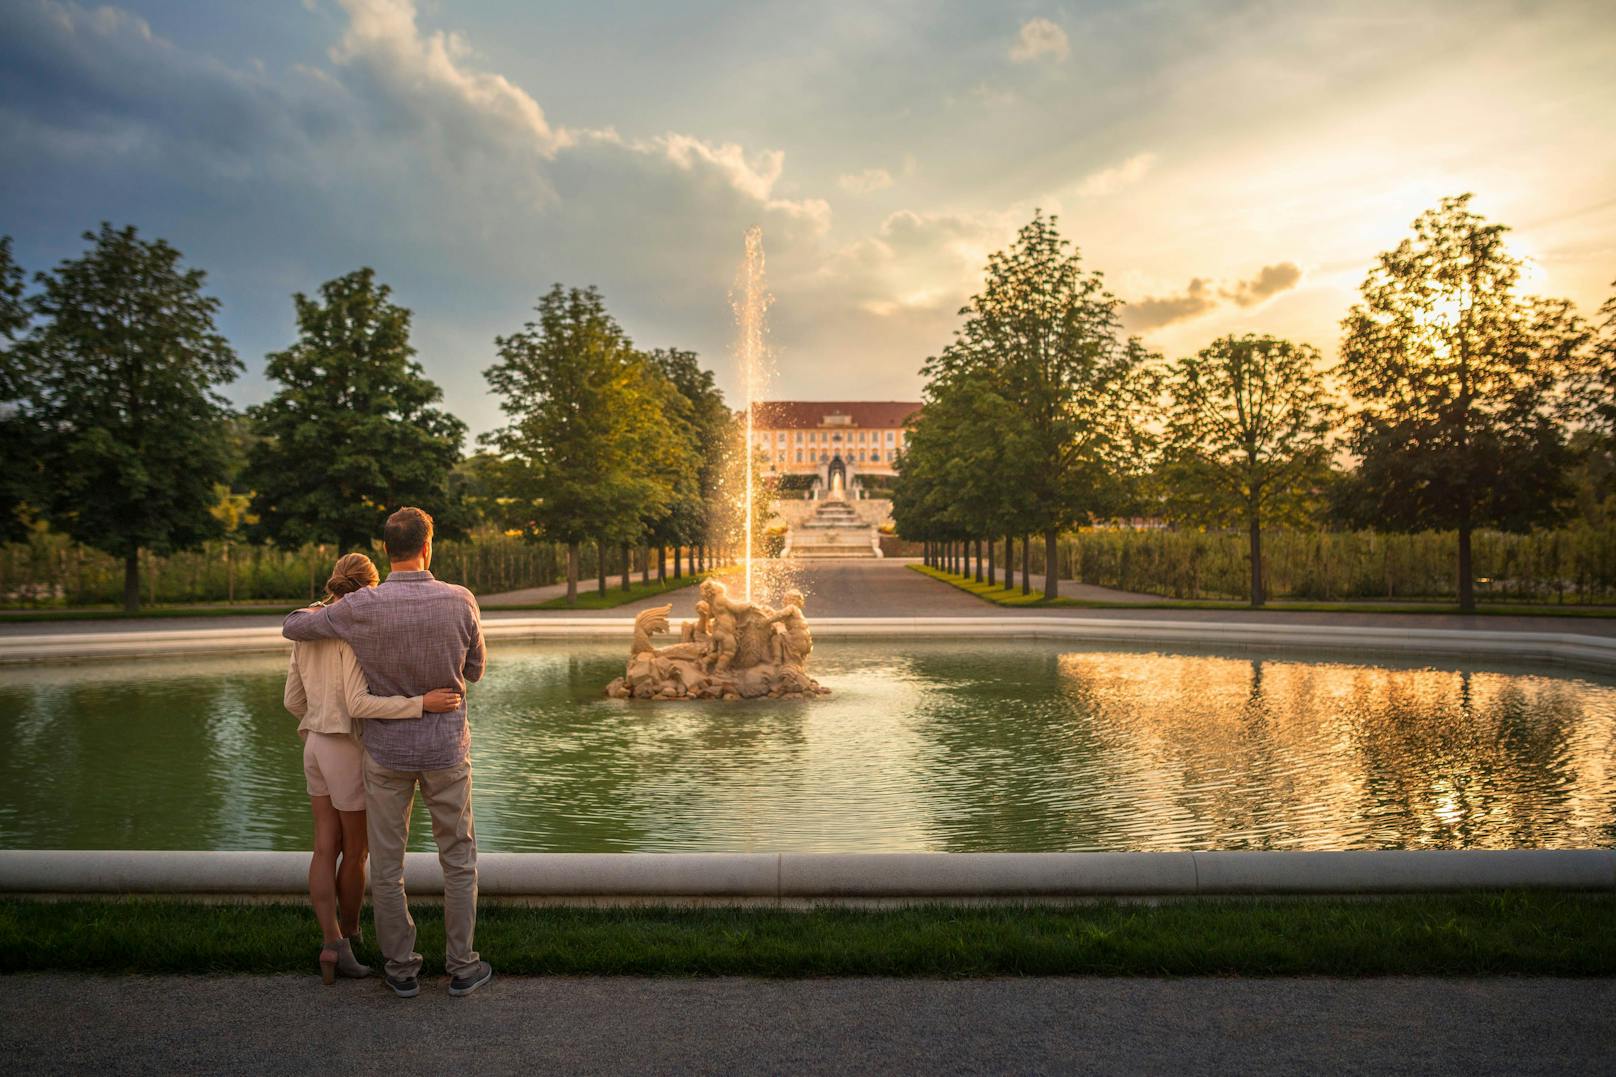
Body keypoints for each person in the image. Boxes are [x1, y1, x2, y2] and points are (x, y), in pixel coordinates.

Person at [283, 508, 491, 998]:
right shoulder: (460, 600)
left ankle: (400, 967)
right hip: (445, 750)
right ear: (428, 546)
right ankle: (462, 965)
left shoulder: (363, 607)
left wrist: (313, 611)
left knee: (388, 864)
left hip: (386, 753)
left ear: (386, 549)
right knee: (458, 858)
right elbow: (476, 670)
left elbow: (294, 628)